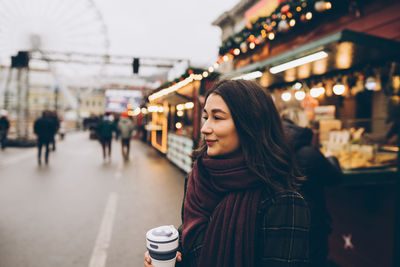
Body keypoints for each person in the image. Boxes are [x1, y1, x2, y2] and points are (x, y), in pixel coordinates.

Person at [144, 79, 310, 267]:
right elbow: (190, 246)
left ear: (250, 124)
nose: (205, 128)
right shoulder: (197, 180)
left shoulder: (283, 202)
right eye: (206, 117)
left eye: (218, 117)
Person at [281, 113, 342, 267]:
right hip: (312, 221)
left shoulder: (274, 149)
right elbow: (334, 177)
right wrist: (332, 158)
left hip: (284, 219)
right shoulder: (308, 152)